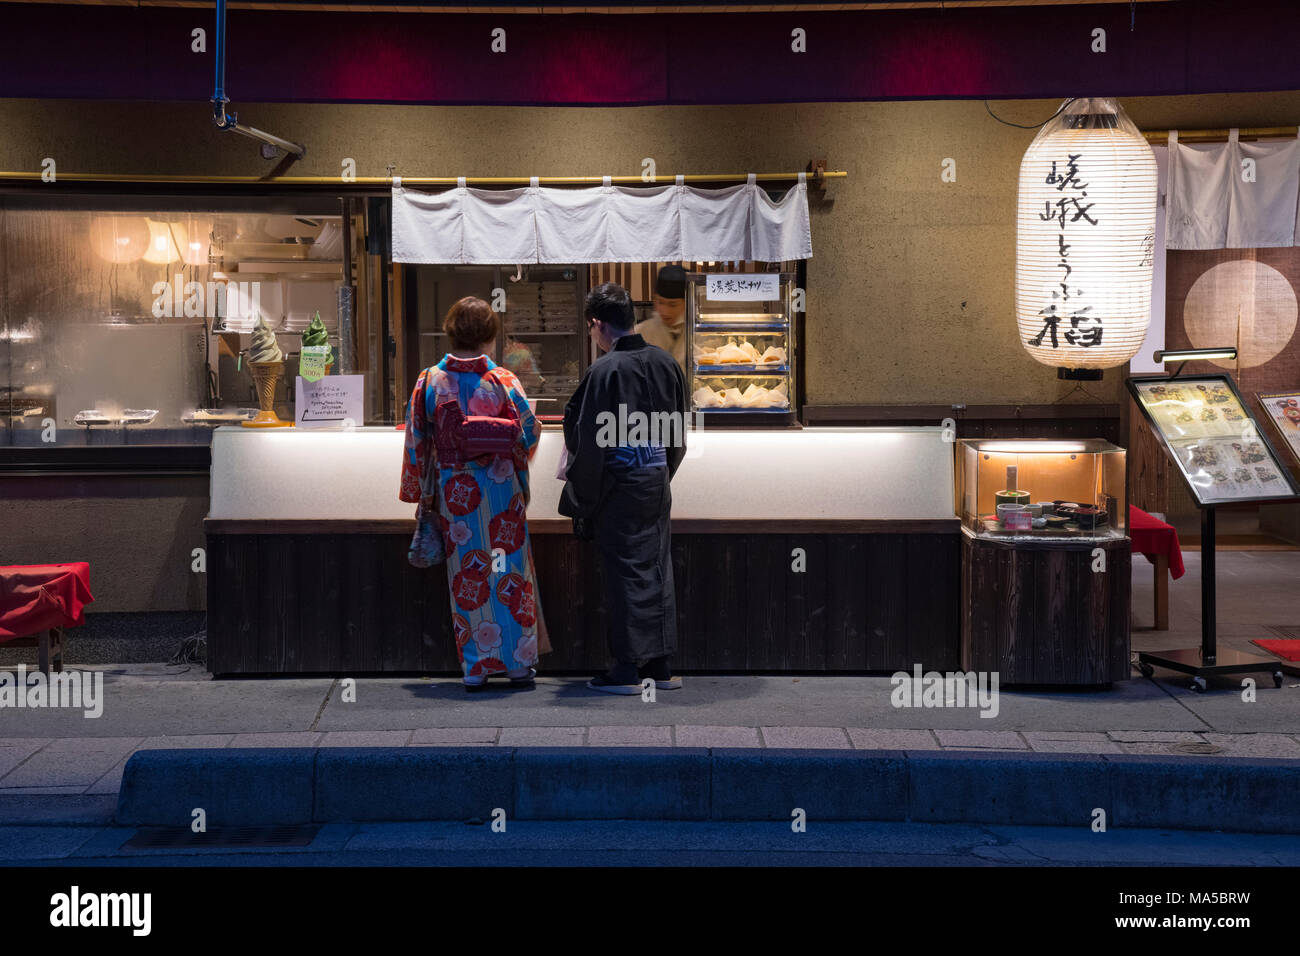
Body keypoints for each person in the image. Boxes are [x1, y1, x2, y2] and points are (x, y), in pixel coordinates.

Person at [400, 296, 548, 691]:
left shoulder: (429, 380)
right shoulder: (502, 380)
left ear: (450, 329)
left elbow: (417, 439)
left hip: (456, 493)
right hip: (501, 493)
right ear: (489, 334)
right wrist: (505, 455)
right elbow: (530, 431)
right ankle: (517, 665)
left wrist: (417, 488)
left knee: (468, 575)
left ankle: (475, 668)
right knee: (508, 572)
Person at [560, 283, 689, 694]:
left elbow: (588, 439)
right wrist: (663, 472)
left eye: (590, 328)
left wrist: (583, 499)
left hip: (617, 482)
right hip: (655, 478)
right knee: (656, 569)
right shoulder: (666, 363)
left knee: (624, 575)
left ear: (597, 324)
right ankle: (661, 665)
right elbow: (678, 434)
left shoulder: (605, 371)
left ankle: (626, 668)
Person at [634, 264, 688, 370]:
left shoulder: (696, 332)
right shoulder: (640, 332)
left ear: (686, 303)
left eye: (673, 305)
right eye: (660, 302)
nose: (665, 311)